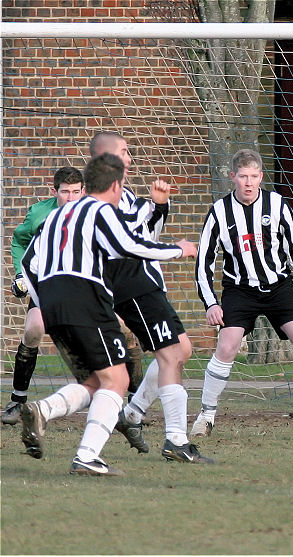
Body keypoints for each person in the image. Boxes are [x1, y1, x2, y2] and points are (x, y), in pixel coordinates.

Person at [18, 153, 197, 476]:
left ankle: (44, 409)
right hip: (85, 300)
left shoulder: (58, 215)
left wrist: (43, 299)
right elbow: (130, 246)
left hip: (52, 305)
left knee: (97, 380)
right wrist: (179, 249)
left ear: (87, 184)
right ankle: (86, 456)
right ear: (115, 186)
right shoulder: (100, 211)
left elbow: (29, 261)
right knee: (118, 379)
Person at [190, 148, 293, 436]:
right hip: (239, 290)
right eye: (243, 176)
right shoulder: (219, 213)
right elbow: (204, 263)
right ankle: (206, 415)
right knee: (227, 346)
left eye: (254, 176)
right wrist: (211, 303)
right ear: (232, 177)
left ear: (261, 176)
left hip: (279, 286)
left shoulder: (277, 205)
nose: (248, 182)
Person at [88, 131, 211, 464]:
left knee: (179, 350)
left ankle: (133, 414)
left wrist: (158, 206)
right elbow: (131, 243)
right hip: (134, 287)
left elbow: (145, 232)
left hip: (146, 283)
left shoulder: (122, 195)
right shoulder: (99, 201)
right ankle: (175, 440)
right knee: (171, 355)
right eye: (125, 152)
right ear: (106, 160)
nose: (130, 158)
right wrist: (179, 249)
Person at [2, 168, 85, 425]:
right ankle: (18, 399)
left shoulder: (92, 214)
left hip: (82, 287)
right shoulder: (40, 213)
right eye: (64, 192)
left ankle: (127, 402)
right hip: (45, 285)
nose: (70, 198)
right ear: (54, 191)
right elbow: (19, 240)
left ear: (83, 191)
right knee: (33, 330)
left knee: (110, 333)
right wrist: (20, 275)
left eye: (75, 192)